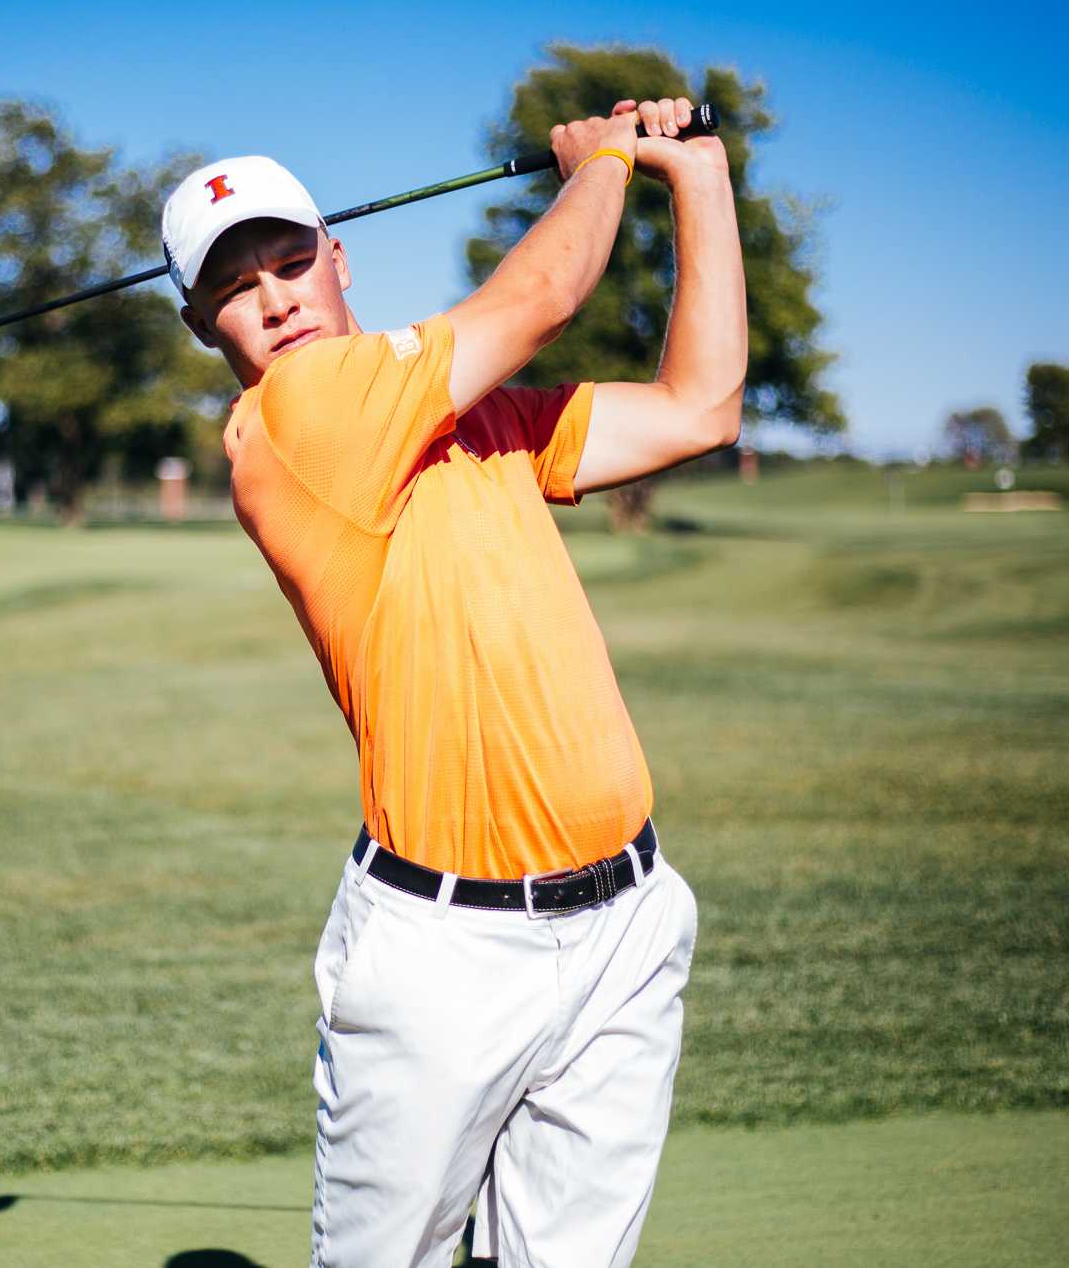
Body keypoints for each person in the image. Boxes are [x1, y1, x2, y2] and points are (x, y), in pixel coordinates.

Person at [160, 96, 746, 1267]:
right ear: (198, 324)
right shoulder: (293, 418)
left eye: (289, 262)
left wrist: (699, 180)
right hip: (441, 957)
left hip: (624, 924)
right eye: (234, 287)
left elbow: (699, 409)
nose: (274, 301)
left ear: (337, 257)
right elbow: (541, 297)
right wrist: (604, 160)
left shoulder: (474, 421)